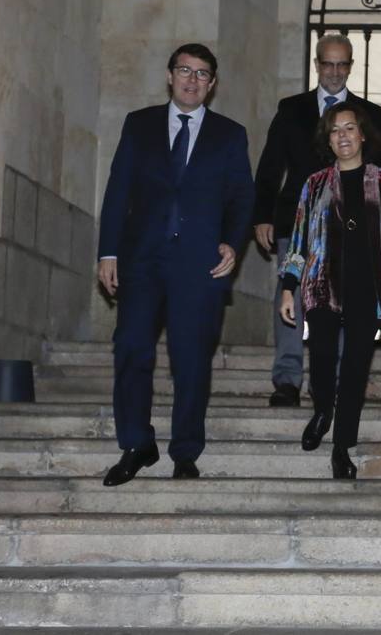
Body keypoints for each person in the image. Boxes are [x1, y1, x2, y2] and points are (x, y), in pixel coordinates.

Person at [97, 43, 255, 487]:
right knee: (131, 348)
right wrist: (107, 252)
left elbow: (242, 196)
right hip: (141, 259)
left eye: (202, 74)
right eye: (185, 70)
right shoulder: (140, 124)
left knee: (191, 360)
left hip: (199, 264)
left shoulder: (229, 134)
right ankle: (136, 444)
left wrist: (231, 244)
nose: (192, 79)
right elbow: (118, 190)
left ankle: (185, 451)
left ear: (213, 84)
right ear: (169, 76)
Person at [279, 102, 381, 479]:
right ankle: (322, 409)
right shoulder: (315, 184)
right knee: (322, 357)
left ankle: (342, 447)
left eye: (349, 128)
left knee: (356, 368)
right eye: (335, 130)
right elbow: (299, 241)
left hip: (368, 289)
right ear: (328, 138)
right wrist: (289, 287)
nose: (342, 135)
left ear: (362, 135)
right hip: (322, 286)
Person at [254, 34, 381, 408]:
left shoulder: (370, 115)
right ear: (316, 65)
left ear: (350, 66)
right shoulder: (291, 108)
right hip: (295, 225)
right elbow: (270, 166)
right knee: (290, 296)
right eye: (327, 64)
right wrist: (262, 214)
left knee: (345, 302)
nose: (333, 72)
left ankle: (338, 379)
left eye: (341, 64)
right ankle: (287, 379)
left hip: (351, 227)